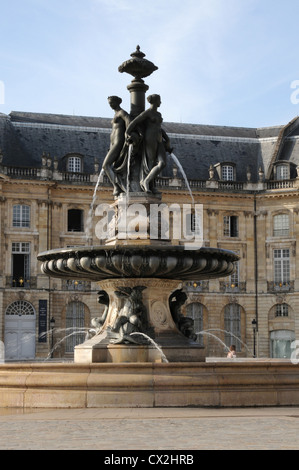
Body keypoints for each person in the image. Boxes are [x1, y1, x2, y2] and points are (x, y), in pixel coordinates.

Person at [125, 94, 172, 193]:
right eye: (159, 100)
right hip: (150, 138)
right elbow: (135, 122)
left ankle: (147, 180)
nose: (161, 102)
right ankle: (148, 184)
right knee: (150, 162)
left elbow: (159, 128)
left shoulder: (158, 114)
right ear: (155, 101)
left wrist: (167, 139)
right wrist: (127, 132)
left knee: (162, 163)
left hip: (159, 139)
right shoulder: (148, 113)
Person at [102, 96, 130, 196]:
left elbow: (129, 122)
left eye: (112, 102)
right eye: (109, 103)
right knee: (111, 166)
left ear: (117, 102)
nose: (110, 105)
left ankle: (117, 186)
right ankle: (118, 185)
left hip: (119, 142)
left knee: (106, 165)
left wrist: (128, 134)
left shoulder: (122, 113)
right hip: (114, 143)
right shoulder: (116, 114)